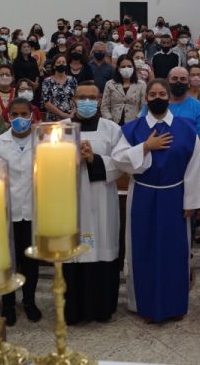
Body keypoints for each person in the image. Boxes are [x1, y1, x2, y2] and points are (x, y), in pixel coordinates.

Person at [111, 79, 200, 322]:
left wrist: (192, 202)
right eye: (152, 94)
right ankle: (141, 302)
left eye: (162, 93)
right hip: (142, 194)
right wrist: (145, 146)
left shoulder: (186, 129)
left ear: (169, 97)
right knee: (143, 249)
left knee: (173, 252)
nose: (157, 97)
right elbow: (118, 159)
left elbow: (195, 167)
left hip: (174, 197)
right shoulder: (132, 128)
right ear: (146, 99)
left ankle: (173, 305)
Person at [62, 82, 124, 325]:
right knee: (73, 253)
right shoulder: (60, 129)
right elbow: (46, 162)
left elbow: (120, 163)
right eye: (81, 97)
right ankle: (74, 311)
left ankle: (102, 308)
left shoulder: (111, 129)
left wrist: (93, 159)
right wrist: (70, 159)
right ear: (74, 100)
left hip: (101, 199)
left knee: (101, 247)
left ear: (99, 100)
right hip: (71, 199)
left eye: (91, 97)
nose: (86, 101)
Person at [0, 98, 40, 325]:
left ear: (31, 116)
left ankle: (29, 300)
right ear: (8, 117)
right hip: (6, 211)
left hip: (33, 210)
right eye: (14, 114)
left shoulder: (41, 141)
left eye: (24, 114)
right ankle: (8, 303)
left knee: (31, 260)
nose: (20, 119)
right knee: (8, 261)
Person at [166, 67, 200, 150]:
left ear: (188, 83)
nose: (178, 82)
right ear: (168, 81)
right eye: (174, 79)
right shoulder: (155, 104)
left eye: (183, 79)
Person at [101, 57, 146, 126]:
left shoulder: (141, 85)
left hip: (135, 124)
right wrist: (110, 121)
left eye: (129, 66)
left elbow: (144, 106)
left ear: (133, 68)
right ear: (118, 68)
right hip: (113, 124)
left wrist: (137, 120)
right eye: (123, 66)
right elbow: (104, 106)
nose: (126, 68)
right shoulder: (109, 84)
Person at [42, 54, 78, 121]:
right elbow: (47, 103)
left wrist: (72, 114)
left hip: (71, 118)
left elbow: (77, 99)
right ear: (54, 66)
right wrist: (63, 115)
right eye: (58, 62)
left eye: (63, 62)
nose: (61, 64)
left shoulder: (73, 80)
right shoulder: (47, 81)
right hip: (54, 119)